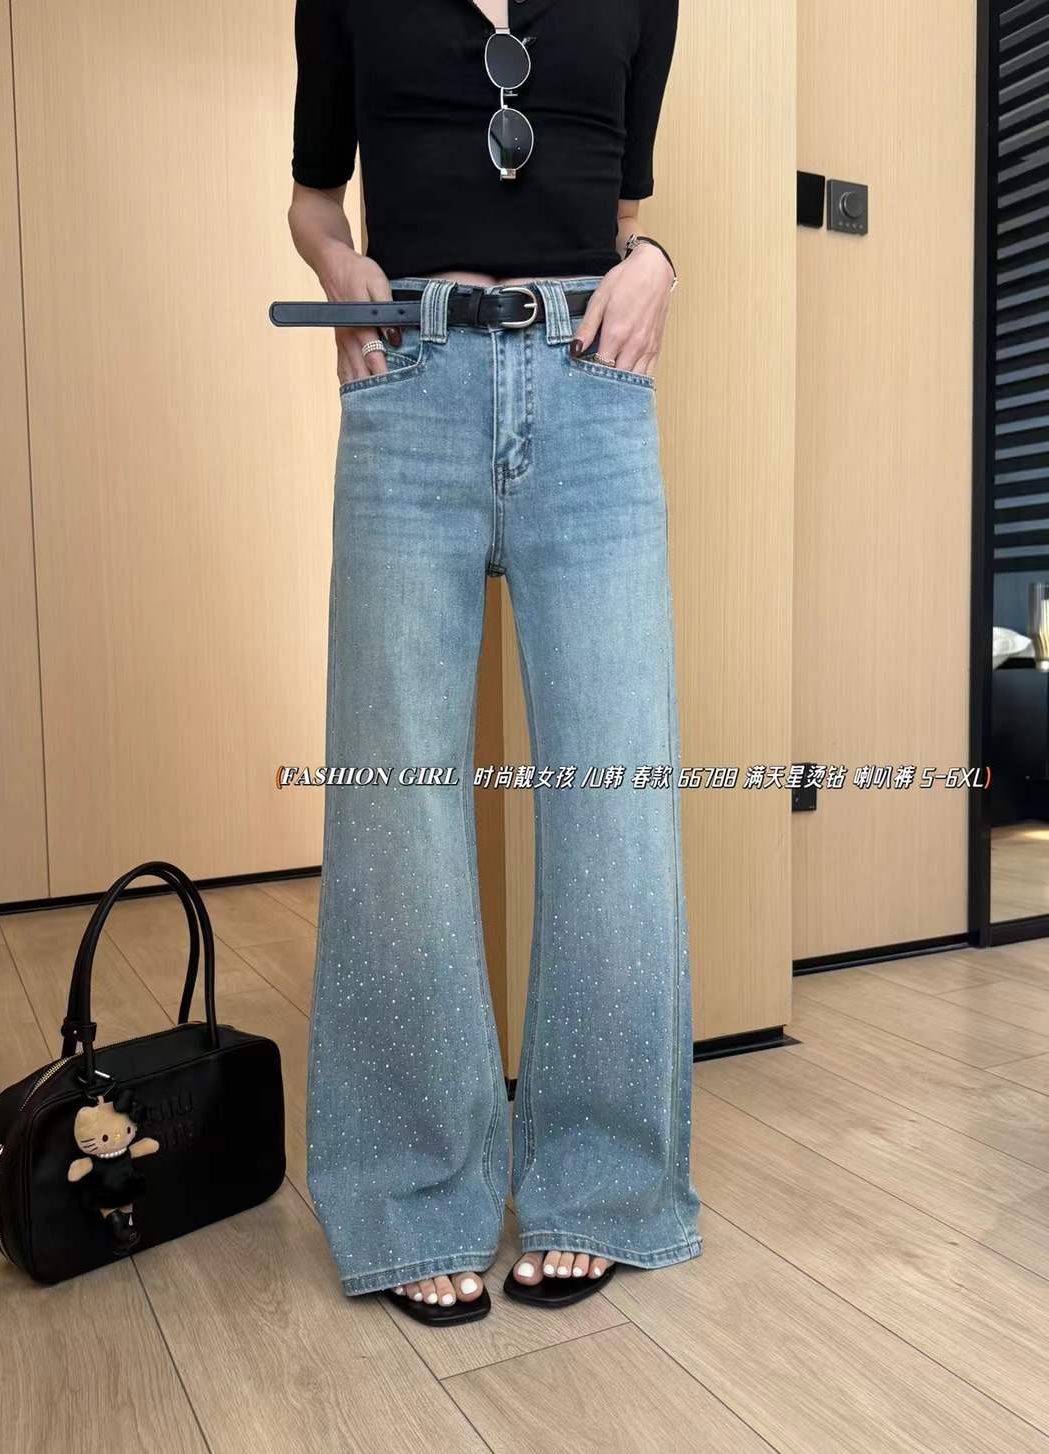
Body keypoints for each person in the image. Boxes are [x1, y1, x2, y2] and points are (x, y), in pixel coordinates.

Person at [287, 0, 702, 1325]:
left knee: (616, 794)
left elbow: (621, 214)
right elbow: (314, 201)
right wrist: (342, 269)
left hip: (591, 387)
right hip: (410, 382)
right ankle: (415, 1190)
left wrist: (659, 264)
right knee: (397, 800)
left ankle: (605, 1181)